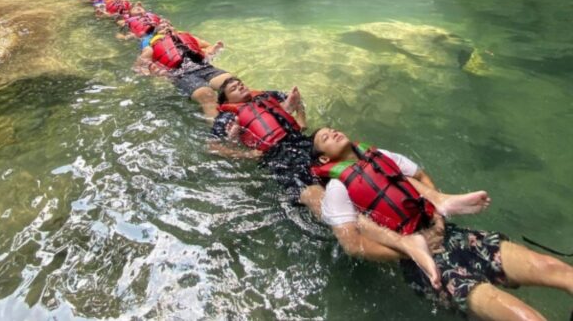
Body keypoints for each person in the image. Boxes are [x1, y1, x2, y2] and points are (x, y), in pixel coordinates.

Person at [300, 127, 573, 320]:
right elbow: (353, 244)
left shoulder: (381, 157)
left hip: (453, 234)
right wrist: (410, 249)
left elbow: (421, 176)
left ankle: (444, 204)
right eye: (325, 136)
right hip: (424, 265)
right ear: (324, 158)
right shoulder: (337, 189)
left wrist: (438, 217)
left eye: (333, 128)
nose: (333, 131)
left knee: (555, 269)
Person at [209, 77, 313, 190]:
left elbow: (296, 98)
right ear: (226, 101)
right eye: (233, 88)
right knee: (302, 183)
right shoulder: (227, 117)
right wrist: (246, 154)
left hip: (298, 138)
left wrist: (301, 120)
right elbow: (213, 147)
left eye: (240, 84)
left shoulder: (264, 95)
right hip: (275, 154)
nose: (240, 87)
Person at [134, 24, 229, 118]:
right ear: (156, 34)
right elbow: (139, 68)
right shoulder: (151, 47)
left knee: (231, 83)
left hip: (203, 67)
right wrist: (156, 74)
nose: (167, 28)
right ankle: (219, 129)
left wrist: (211, 51)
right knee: (207, 95)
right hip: (180, 74)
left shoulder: (189, 39)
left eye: (169, 26)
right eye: (162, 28)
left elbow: (207, 46)